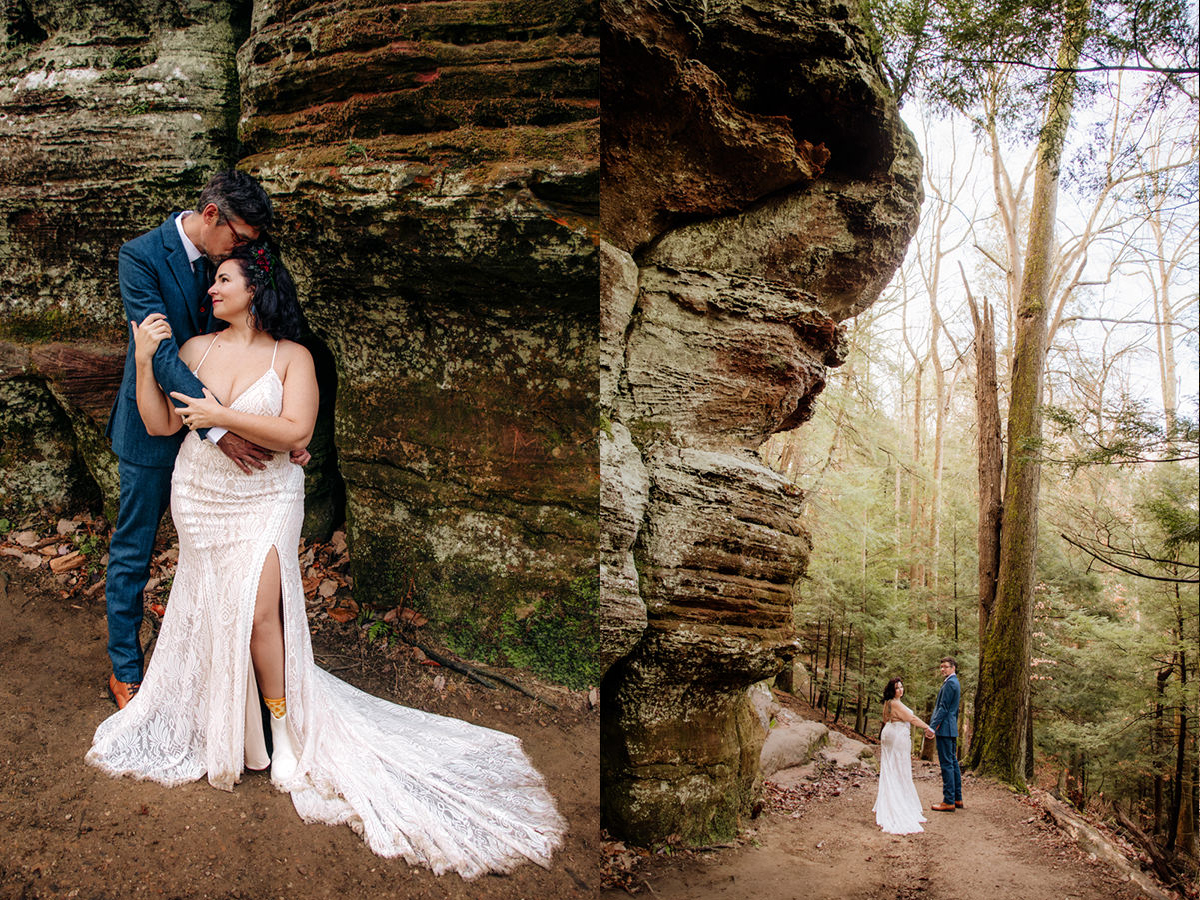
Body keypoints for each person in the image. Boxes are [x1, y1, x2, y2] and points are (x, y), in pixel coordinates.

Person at [86, 244, 566, 878]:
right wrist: (148, 363)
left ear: (255, 289)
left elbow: (296, 435)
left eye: (223, 279)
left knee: (261, 611)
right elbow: (158, 425)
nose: (211, 290)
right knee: (214, 604)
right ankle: (226, 720)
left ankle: (284, 738)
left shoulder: (293, 358)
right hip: (201, 493)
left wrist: (220, 414)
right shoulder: (195, 349)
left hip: (266, 496)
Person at [104, 170, 298, 710]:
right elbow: (162, 353)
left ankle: (228, 670)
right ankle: (125, 666)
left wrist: (281, 428)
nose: (241, 251)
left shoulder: (232, 256)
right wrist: (221, 428)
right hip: (155, 425)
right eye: (239, 239)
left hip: (226, 432)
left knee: (223, 557)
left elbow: (267, 329)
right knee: (134, 548)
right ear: (212, 216)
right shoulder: (140, 256)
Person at [873, 676, 935, 834]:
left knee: (891, 768)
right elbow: (911, 718)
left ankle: (890, 801)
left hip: (889, 732)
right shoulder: (894, 703)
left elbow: (886, 718)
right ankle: (896, 804)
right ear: (892, 690)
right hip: (896, 735)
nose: (900, 690)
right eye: (897, 688)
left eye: (901, 687)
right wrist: (928, 728)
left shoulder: (889, 702)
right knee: (899, 769)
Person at [928, 656, 963, 812]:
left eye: (946, 667)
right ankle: (957, 798)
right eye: (941, 666)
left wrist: (932, 727)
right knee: (953, 762)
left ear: (953, 667)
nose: (943, 669)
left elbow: (943, 708)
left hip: (945, 728)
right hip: (950, 728)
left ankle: (948, 800)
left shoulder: (950, 684)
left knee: (947, 764)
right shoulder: (953, 682)